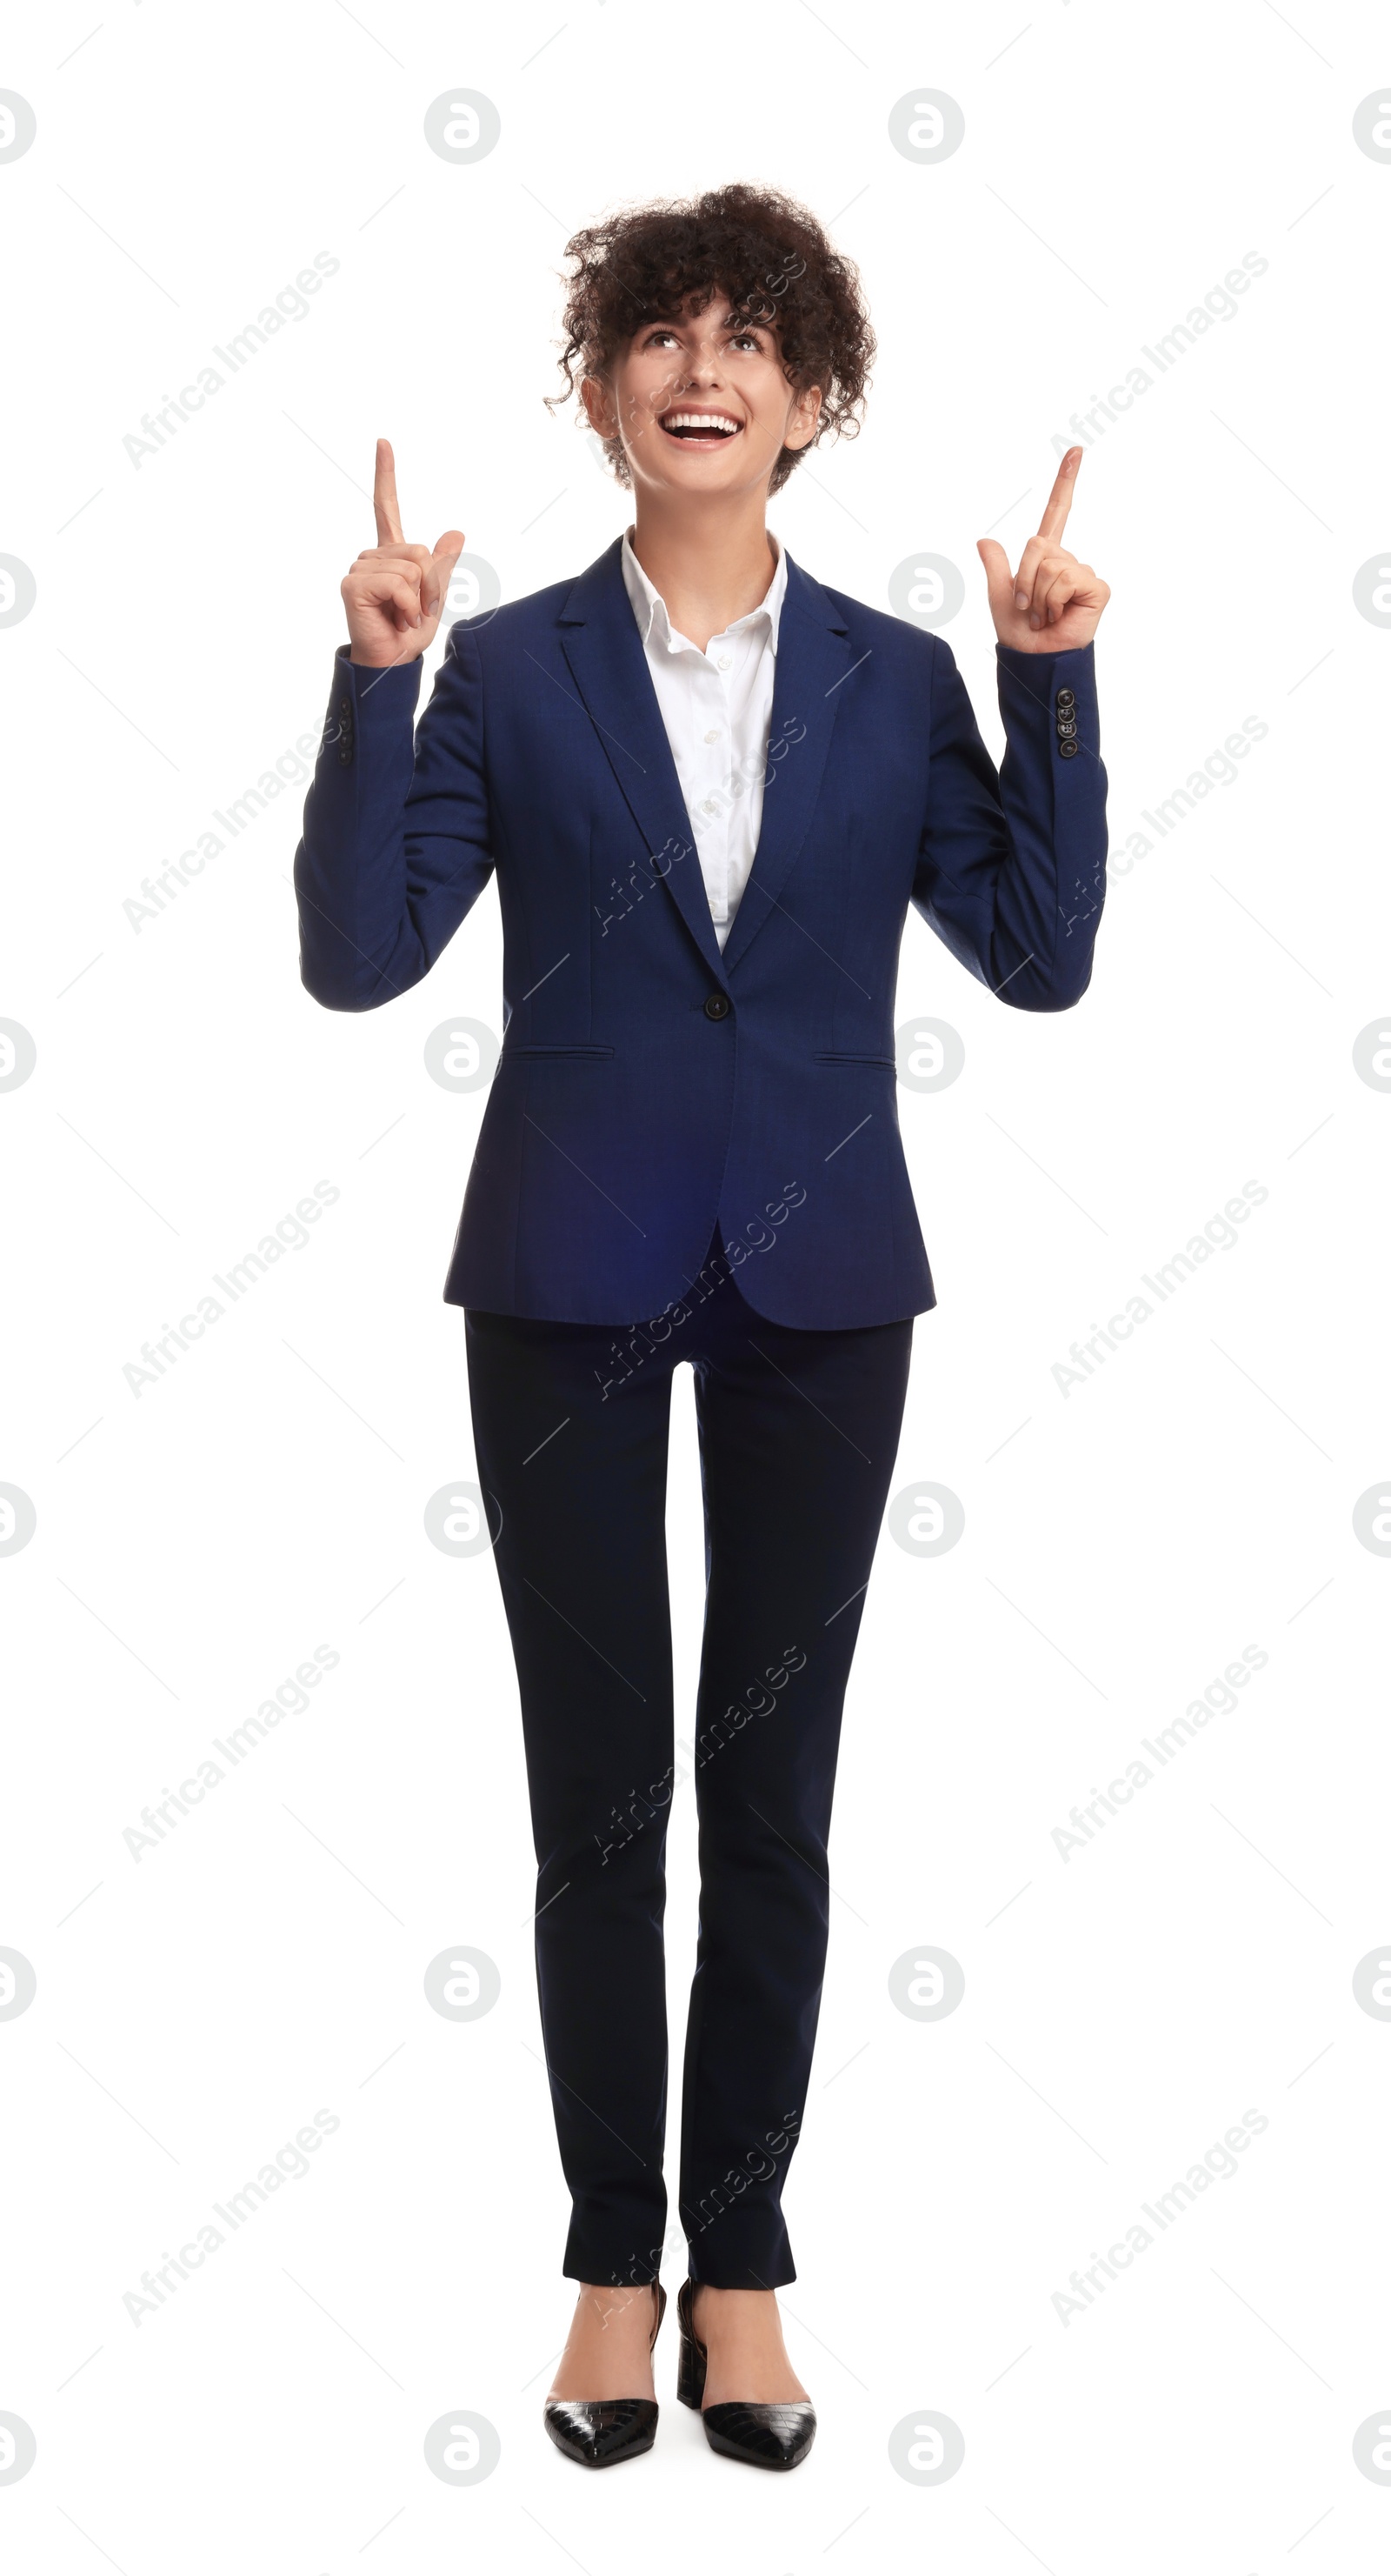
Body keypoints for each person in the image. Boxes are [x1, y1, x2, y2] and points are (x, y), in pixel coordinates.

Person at [294, 182, 1110, 2472]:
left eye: (751, 333)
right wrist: (374, 676)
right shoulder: (508, 667)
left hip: (823, 1290)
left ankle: (740, 2264)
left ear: (811, 400)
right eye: (659, 327)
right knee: (597, 1797)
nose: (700, 358)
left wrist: (1050, 680)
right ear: (600, 389)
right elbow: (359, 958)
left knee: (774, 1797)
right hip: (562, 1269)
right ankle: (603, 2262)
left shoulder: (900, 675)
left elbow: (1036, 956)